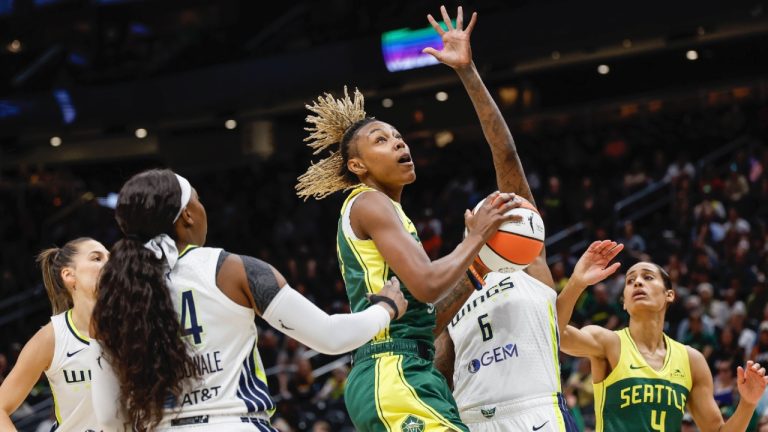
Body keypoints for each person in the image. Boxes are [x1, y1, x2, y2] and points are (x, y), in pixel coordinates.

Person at [296, 7, 521, 431]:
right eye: (381, 140)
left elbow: (424, 303)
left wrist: (478, 268)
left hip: (409, 369)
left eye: (399, 137)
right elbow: (426, 283)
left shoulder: (388, 210)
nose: (399, 144)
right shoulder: (367, 202)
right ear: (358, 165)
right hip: (392, 370)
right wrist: (475, 237)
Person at [421, 6, 623, 430]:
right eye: (487, 212)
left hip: (536, 413)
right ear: (467, 224)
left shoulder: (527, 260)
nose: (499, 214)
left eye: (504, 210)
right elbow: (433, 356)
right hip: (472, 420)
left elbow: (507, 155)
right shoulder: (448, 292)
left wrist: (468, 72)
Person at [89, 169, 408, 431]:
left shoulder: (112, 296)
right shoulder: (231, 269)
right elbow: (330, 336)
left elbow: (107, 418)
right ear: (187, 215)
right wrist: (386, 308)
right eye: (199, 201)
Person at [558, 261, 768, 431]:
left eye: (647, 277)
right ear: (624, 302)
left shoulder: (691, 360)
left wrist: (748, 403)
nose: (638, 283)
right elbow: (556, 334)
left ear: (669, 295)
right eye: (630, 281)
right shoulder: (608, 342)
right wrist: (577, 282)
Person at [0, 237, 109, 431]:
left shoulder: (132, 326)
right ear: (69, 275)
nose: (109, 264)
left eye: (110, 257)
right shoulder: (53, 337)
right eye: (97, 258)